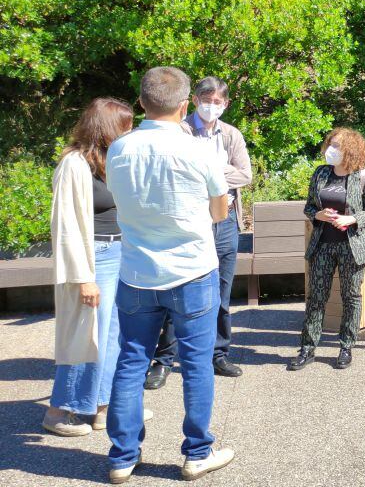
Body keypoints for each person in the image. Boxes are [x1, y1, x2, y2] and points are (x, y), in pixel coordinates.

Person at [104, 67, 234, 483]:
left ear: (141, 102)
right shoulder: (200, 150)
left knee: (131, 360)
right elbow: (219, 211)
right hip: (193, 270)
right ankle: (197, 452)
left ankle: (122, 456)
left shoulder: (119, 148)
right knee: (196, 364)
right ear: (185, 106)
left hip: (137, 270)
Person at [144, 76, 252, 389]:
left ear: (226, 104)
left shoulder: (230, 135)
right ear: (194, 100)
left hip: (225, 223)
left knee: (221, 293)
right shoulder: (178, 131)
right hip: (187, 223)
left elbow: (245, 174)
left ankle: (218, 353)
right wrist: (209, 170)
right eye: (207, 100)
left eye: (219, 102)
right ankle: (163, 360)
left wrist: (209, 170)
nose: (212, 106)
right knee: (176, 291)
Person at [45, 98, 141, 437]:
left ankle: (102, 407)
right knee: (86, 335)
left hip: (120, 253)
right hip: (93, 257)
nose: (130, 131)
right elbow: (66, 224)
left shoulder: (112, 160)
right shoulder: (74, 164)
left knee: (114, 334)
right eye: (125, 125)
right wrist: (84, 278)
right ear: (106, 127)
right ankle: (59, 410)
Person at [288, 128, 365, 370]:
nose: (331, 149)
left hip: (353, 246)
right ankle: (307, 347)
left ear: (350, 150)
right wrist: (318, 214)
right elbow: (309, 207)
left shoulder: (364, 176)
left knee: (351, 296)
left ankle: (346, 346)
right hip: (323, 244)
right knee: (316, 296)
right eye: (331, 144)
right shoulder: (321, 173)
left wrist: (351, 219)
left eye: (337, 146)